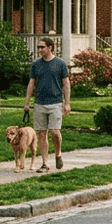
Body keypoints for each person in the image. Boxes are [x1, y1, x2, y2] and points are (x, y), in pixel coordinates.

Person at [24, 37, 70, 172]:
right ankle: (45, 163)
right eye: (38, 47)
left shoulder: (60, 64)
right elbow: (31, 84)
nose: (39, 50)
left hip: (55, 103)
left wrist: (67, 103)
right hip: (39, 103)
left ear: (50, 48)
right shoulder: (36, 64)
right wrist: (27, 102)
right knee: (42, 134)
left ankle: (58, 154)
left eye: (42, 47)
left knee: (55, 132)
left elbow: (66, 84)